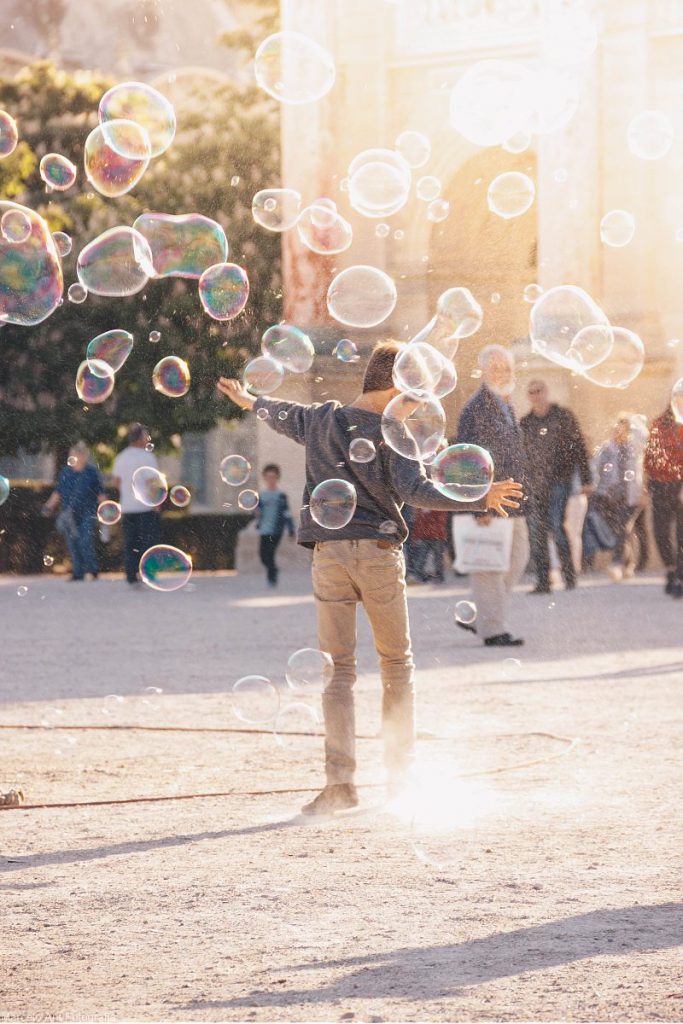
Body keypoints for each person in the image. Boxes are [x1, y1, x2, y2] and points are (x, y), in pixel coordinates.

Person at [217, 341, 523, 815]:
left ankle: (340, 784)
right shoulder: (393, 430)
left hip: (329, 555)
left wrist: (248, 401)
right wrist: (480, 497)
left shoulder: (321, 418)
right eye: (416, 390)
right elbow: (415, 490)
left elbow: (281, 412)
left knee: (337, 672)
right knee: (396, 667)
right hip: (379, 554)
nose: (420, 400)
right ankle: (400, 779)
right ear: (398, 384)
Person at [455, 345, 529, 647]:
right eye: (498, 368)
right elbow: (469, 456)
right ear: (485, 371)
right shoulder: (477, 408)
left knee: (517, 559)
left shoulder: (505, 404)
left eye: (508, 368)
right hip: (489, 498)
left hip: (512, 497)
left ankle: (479, 616)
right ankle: (493, 628)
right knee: (488, 565)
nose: (504, 373)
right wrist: (478, 504)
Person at [520, 379, 592, 593]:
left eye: (539, 390)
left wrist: (587, 479)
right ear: (528, 396)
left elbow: (579, 447)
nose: (536, 394)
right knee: (537, 532)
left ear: (546, 391)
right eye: (531, 391)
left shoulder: (563, 416)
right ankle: (543, 581)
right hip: (535, 484)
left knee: (556, 527)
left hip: (560, 480)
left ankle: (569, 576)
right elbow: (521, 456)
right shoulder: (525, 423)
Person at [591, 416, 646, 582]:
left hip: (629, 496)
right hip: (608, 496)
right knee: (620, 530)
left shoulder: (634, 449)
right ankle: (628, 563)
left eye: (622, 429)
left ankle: (616, 564)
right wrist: (595, 488)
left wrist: (644, 492)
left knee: (622, 528)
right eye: (616, 429)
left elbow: (642, 470)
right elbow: (595, 469)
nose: (618, 432)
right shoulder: (606, 449)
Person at [43, 441, 106, 581]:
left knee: (86, 540)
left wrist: (106, 509)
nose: (76, 456)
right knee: (72, 542)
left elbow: (100, 493)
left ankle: (92, 568)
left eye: (78, 454)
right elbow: (58, 492)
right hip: (69, 514)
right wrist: (48, 506)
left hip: (88, 512)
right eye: (73, 454)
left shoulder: (91, 472)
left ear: (84, 455)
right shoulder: (66, 472)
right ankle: (78, 572)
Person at [111, 424, 161, 585]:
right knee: (147, 542)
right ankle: (147, 573)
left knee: (129, 542)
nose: (148, 439)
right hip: (145, 507)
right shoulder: (147, 457)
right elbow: (153, 482)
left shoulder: (121, 457)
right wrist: (156, 502)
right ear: (140, 439)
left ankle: (131, 575)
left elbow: (116, 482)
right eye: (146, 436)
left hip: (127, 507)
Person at [644, 406, 683, 597]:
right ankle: (670, 569)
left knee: (681, 534)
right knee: (660, 531)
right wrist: (646, 484)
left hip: (681, 484)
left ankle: (681, 578)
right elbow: (650, 456)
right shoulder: (659, 424)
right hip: (660, 484)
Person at [256, 463, 295, 586]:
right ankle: (274, 570)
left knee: (270, 554)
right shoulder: (260, 495)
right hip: (263, 529)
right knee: (263, 555)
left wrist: (291, 531)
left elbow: (287, 514)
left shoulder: (281, 495)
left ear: (277, 478)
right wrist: (256, 513)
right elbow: (256, 512)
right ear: (265, 478)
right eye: (268, 477)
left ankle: (271, 579)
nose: (271, 480)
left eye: (273, 477)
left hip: (276, 530)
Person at [408, 508, 449, 583]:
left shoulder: (438, 506)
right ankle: (419, 575)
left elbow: (441, 521)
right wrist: (416, 536)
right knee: (421, 557)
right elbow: (418, 522)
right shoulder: (420, 508)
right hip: (425, 536)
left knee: (437, 558)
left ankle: (439, 576)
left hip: (437, 536)